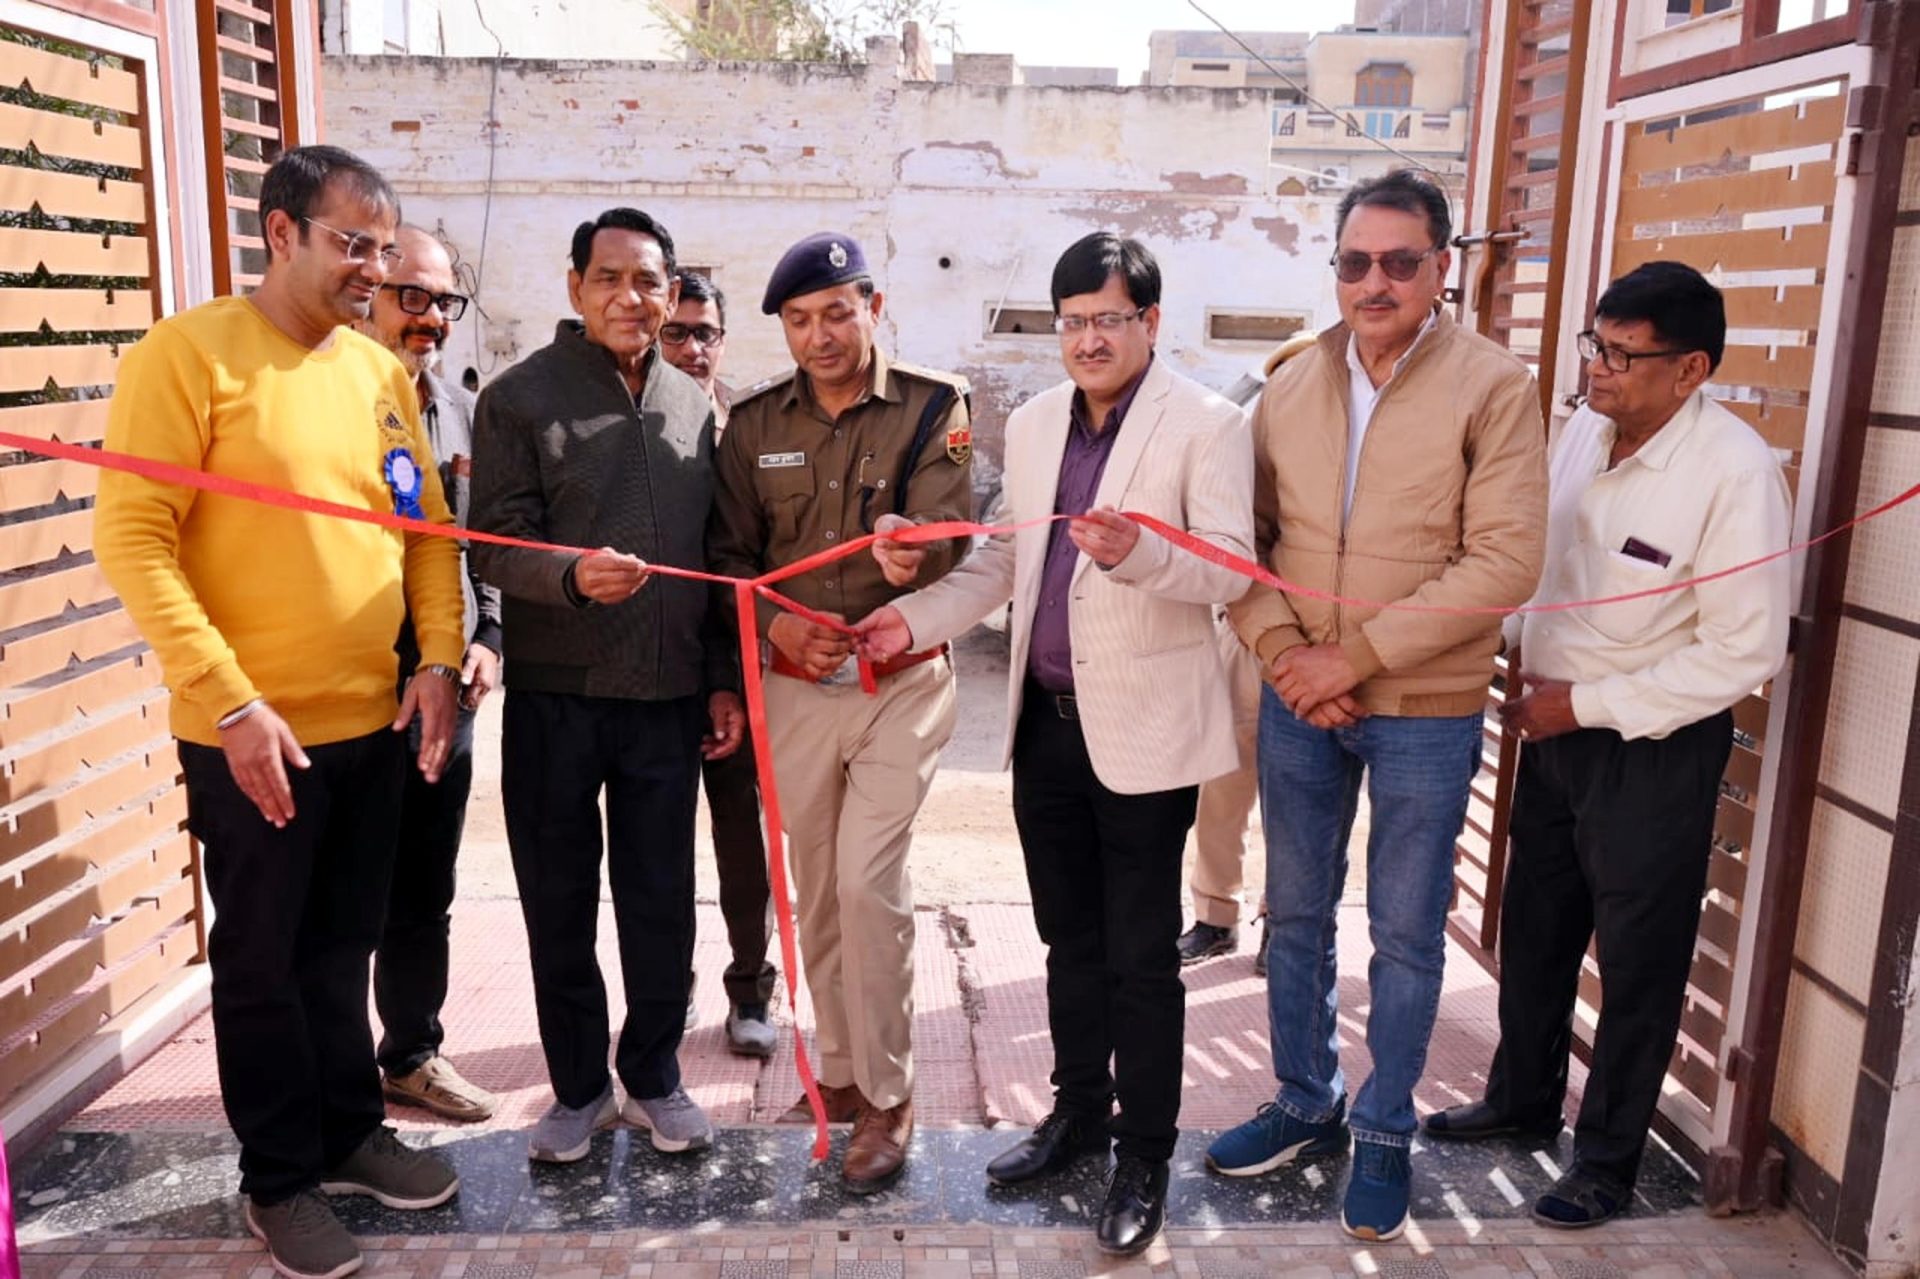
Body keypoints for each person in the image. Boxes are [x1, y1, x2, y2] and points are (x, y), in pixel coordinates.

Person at [94, 145, 464, 1279]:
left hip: (370, 727)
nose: (372, 270)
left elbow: (426, 533)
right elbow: (134, 539)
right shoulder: (188, 356)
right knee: (262, 963)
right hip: (252, 736)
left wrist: (437, 658)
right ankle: (279, 1179)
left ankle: (349, 1131)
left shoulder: (378, 373)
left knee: (342, 947)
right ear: (282, 232)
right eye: (352, 243)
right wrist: (233, 700)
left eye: (383, 250)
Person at [857, 233, 1252, 1253]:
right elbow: (1005, 568)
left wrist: (1144, 553)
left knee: (1140, 959)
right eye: (1072, 321)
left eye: (1108, 319)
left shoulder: (1208, 424)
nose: (1087, 340)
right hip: (1046, 729)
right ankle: (1077, 1116)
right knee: (1067, 942)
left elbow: (1232, 569)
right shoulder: (1035, 424)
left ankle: (1145, 1152)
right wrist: (912, 619)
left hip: (1148, 735)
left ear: (1149, 322)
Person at [1212, 169, 1548, 1243]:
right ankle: (1304, 1099)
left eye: (1400, 262)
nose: (1375, 282)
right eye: (1355, 262)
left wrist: (1351, 658)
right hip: (1298, 700)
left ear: (1441, 267)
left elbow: (1505, 560)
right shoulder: (1289, 383)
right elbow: (1241, 542)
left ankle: (1386, 1126)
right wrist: (1283, 653)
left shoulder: (1495, 385)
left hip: (1425, 707)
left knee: (1404, 932)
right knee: (1294, 913)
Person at [1424, 262, 1791, 1228]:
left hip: (1652, 747)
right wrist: (1504, 650)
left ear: (1691, 369)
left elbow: (1745, 649)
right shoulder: (1585, 429)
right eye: (1598, 344)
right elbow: (1542, 566)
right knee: (1536, 926)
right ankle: (1520, 1098)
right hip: (1551, 728)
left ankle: (1608, 1159)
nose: (1599, 368)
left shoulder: (1734, 471)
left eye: (1625, 355)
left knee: (1637, 959)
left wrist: (1585, 705)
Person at [470, 208, 744, 1165]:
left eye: (649, 281)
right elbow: (492, 542)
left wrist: (719, 680)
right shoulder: (520, 398)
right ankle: (580, 1087)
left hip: (667, 700)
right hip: (557, 698)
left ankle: (656, 1076)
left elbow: (716, 557)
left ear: (671, 293)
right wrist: (571, 576)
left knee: (661, 898)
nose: (632, 297)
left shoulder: (693, 404)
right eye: (610, 278)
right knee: (559, 899)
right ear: (575, 286)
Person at [707, 232, 973, 1193]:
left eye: (836, 312)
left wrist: (912, 550)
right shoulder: (750, 423)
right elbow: (729, 558)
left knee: (868, 885)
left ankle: (892, 1095)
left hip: (899, 682)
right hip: (795, 685)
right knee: (815, 892)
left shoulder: (935, 404)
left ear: (873, 306)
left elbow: (945, 531)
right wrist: (777, 627)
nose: (819, 335)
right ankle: (843, 1075)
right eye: (798, 320)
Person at [354, 225, 503, 1121]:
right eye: (412, 296)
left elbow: (481, 542)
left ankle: (411, 1053)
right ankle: (335, 1084)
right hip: (344, 687)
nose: (431, 318)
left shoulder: (459, 410)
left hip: (446, 685)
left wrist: (490, 636)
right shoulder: (325, 398)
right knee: (343, 891)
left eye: (445, 301)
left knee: (423, 886)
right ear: (367, 290)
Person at [659, 269, 777, 1058]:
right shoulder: (636, 426)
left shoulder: (753, 428)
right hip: (661, 669)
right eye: (677, 332)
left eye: (705, 333)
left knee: (745, 843)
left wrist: (735, 676)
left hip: (739, 668)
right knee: (660, 844)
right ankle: (669, 985)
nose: (692, 348)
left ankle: (751, 989)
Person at [1178, 331, 1316, 971]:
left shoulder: (1346, 456)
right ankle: (1215, 916)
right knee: (1222, 789)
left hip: (1315, 649)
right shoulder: (1246, 448)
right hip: (1244, 635)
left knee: (1298, 799)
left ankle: (1281, 922)